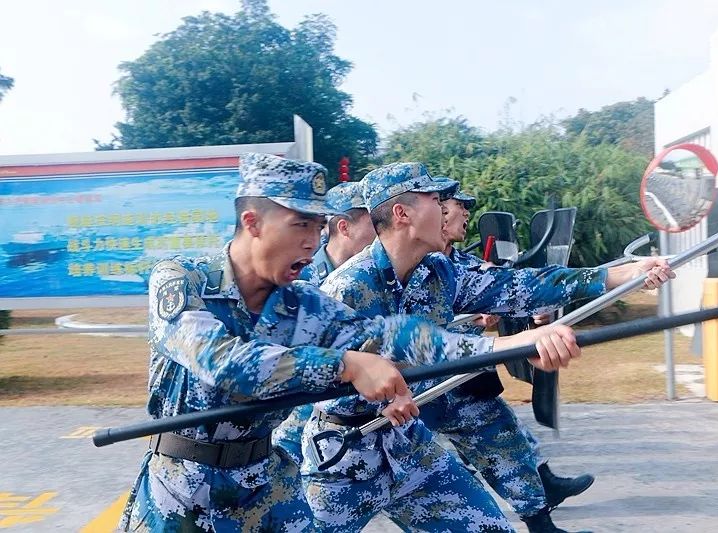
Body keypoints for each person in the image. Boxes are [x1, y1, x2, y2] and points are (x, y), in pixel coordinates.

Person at [119, 154, 541, 532]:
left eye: (319, 225)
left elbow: (392, 338)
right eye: (301, 223)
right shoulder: (182, 281)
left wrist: (510, 346)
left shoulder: (302, 303)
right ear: (253, 223)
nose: (313, 239)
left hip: (265, 487)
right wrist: (346, 365)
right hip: (183, 493)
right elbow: (227, 365)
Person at [313, 162, 674, 532]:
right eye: (436, 200)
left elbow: (518, 286)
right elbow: (402, 352)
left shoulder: (437, 270)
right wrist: (509, 344)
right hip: (346, 453)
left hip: (408, 445)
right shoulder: (350, 288)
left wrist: (619, 276)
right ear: (402, 214)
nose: (446, 209)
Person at [437, 179, 597, 530]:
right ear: (437, 211)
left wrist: (536, 311)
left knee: (506, 437)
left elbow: (513, 287)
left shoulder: (461, 263)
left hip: (463, 380)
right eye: (458, 205)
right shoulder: (411, 266)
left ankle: (542, 516)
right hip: (413, 389)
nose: (466, 212)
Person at [273, 180, 375, 467]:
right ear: (344, 227)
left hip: (349, 411)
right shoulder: (301, 277)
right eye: (373, 221)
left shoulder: (373, 276)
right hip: (298, 415)